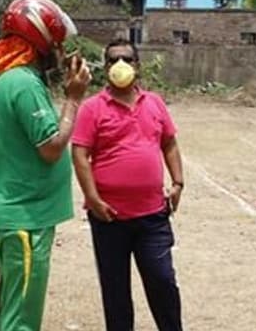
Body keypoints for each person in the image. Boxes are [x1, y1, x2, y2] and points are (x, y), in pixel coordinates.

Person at [0, 0, 90, 331]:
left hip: (12, 212)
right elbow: (51, 147)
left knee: (12, 309)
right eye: (58, 44)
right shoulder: (25, 84)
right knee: (22, 320)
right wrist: (73, 99)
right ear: (42, 41)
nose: (61, 52)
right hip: (26, 220)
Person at [71, 38, 185, 331]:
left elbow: (169, 143)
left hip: (153, 216)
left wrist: (178, 182)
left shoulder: (155, 103)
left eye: (127, 59)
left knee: (162, 283)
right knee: (115, 292)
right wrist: (92, 199)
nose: (120, 65)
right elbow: (80, 154)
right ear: (105, 67)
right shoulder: (92, 108)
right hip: (109, 217)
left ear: (137, 66)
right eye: (113, 60)